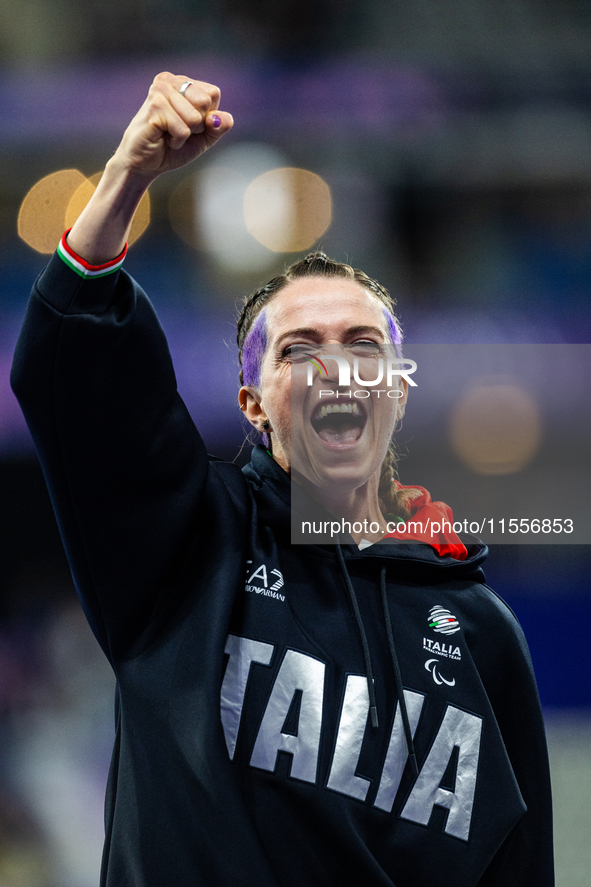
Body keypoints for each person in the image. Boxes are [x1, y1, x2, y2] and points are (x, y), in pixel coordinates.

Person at [11, 73, 554, 887]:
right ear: (253, 404)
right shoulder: (187, 544)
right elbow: (74, 365)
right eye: (299, 349)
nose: (335, 364)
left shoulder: (480, 632)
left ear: (397, 391)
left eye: (361, 345)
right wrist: (127, 174)